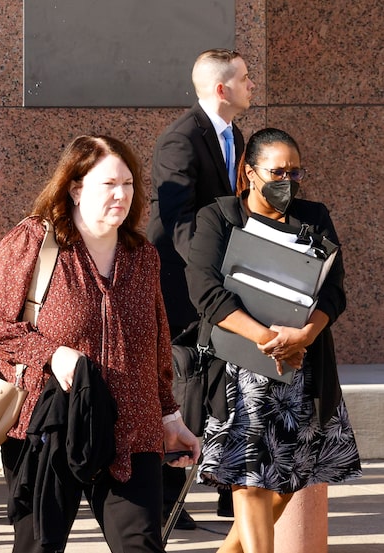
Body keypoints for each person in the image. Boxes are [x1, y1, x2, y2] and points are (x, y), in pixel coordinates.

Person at [0, 134, 200, 552]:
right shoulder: (35, 240)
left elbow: (157, 345)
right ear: (75, 188)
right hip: (51, 422)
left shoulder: (142, 254)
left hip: (131, 427)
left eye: (128, 184)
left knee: (140, 546)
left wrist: (169, 416)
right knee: (38, 546)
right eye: (108, 184)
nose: (121, 195)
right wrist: (51, 353)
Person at [185, 127, 362, 553]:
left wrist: (304, 334)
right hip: (239, 374)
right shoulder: (219, 218)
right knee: (250, 479)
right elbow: (205, 290)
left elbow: (334, 290)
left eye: (296, 173)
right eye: (278, 171)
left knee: (289, 478)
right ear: (249, 173)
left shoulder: (314, 217)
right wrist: (267, 338)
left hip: (302, 368)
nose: (288, 182)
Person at [147, 47, 256, 526]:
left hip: (216, 275)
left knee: (226, 377)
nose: (252, 85)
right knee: (184, 380)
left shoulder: (234, 133)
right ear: (221, 88)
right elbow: (177, 218)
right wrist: (211, 268)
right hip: (181, 279)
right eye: (246, 78)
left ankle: (228, 486)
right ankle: (168, 496)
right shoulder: (181, 140)